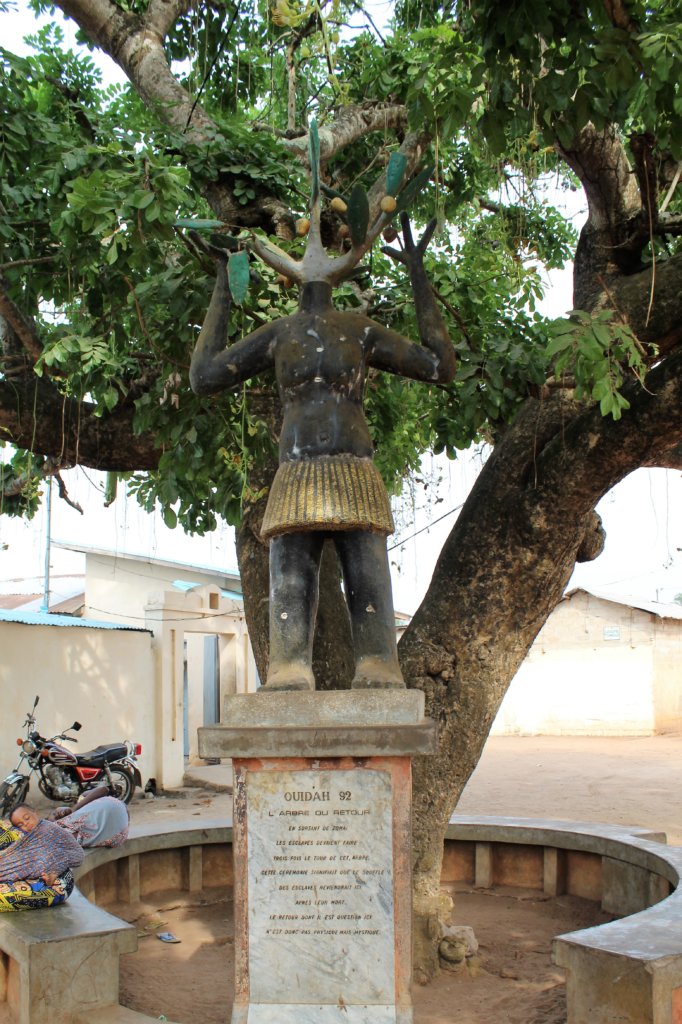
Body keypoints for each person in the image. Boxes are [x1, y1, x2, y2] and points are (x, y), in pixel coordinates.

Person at [190, 213, 455, 692]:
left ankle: (377, 661)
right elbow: (205, 375)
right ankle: (289, 666)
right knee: (289, 579)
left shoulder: (358, 330)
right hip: (296, 473)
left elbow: (439, 366)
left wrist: (419, 273)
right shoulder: (281, 333)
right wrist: (224, 283)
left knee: (366, 574)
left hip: (352, 466)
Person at [0, 805, 84, 912]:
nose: (26, 824)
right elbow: (16, 851)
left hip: (55, 880)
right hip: (39, 872)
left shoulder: (49, 830)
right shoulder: (29, 835)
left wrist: (55, 869)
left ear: (36, 812)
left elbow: (78, 855)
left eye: (27, 818)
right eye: (20, 824)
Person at [49, 786, 129, 848]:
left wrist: (76, 808)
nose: (58, 814)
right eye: (56, 816)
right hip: (116, 831)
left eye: (54, 812)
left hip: (117, 814)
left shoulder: (82, 799)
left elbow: (104, 789)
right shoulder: (64, 826)